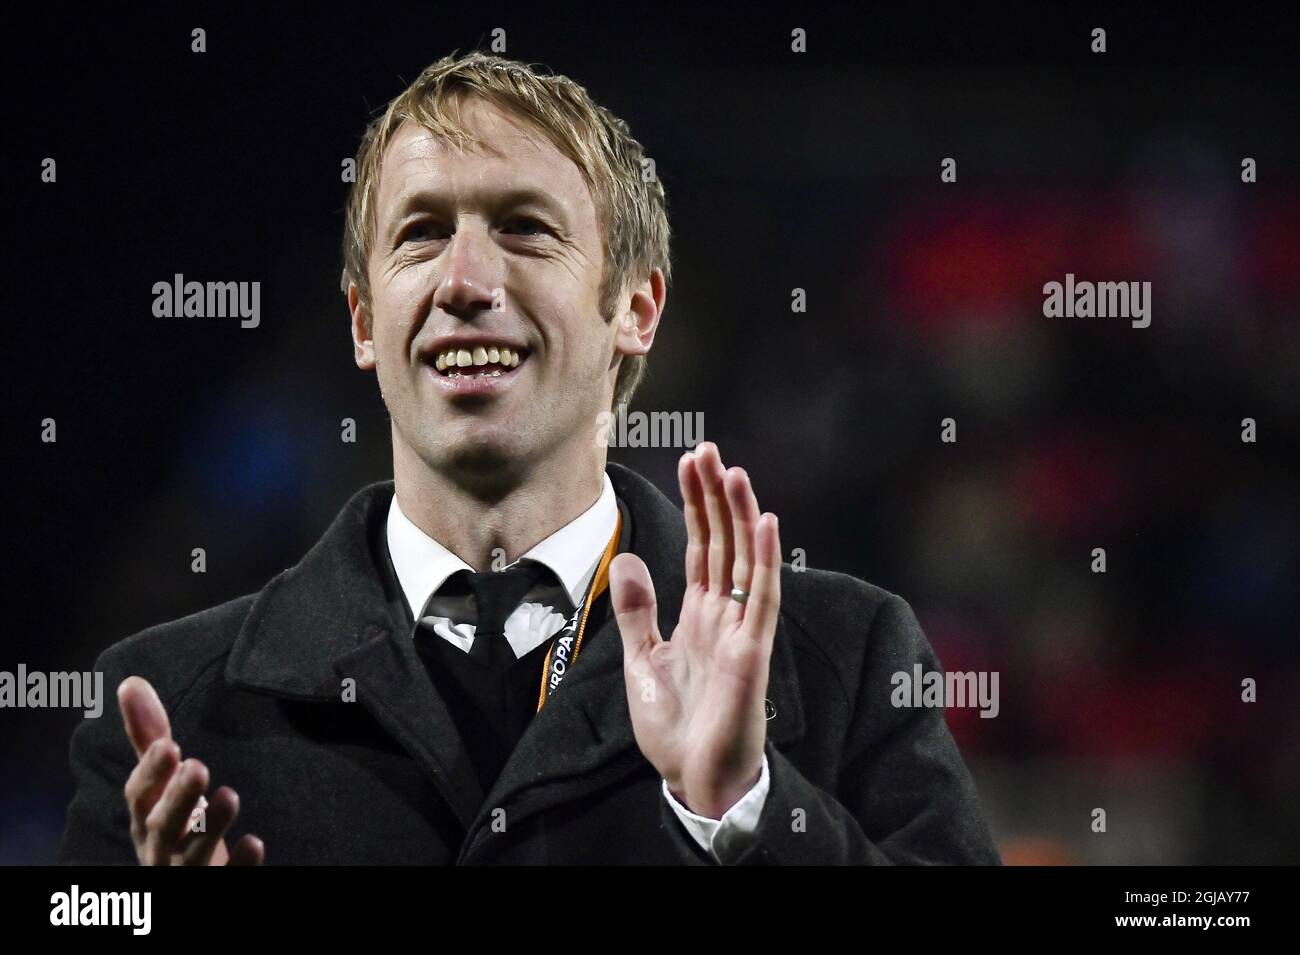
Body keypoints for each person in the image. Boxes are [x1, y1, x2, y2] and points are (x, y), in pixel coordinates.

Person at [58, 51, 1000, 865]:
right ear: (361, 320)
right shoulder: (169, 714)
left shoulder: (839, 656)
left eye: (525, 228)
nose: (465, 282)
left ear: (636, 309)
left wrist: (747, 806)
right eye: (422, 234)